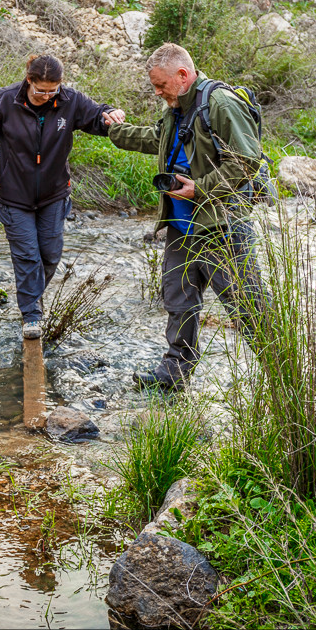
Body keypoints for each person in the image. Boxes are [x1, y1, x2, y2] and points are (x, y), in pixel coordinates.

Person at [107, 43, 267, 389]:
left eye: (160, 85)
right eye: (155, 86)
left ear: (182, 75)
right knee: (179, 300)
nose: (158, 92)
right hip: (182, 227)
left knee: (248, 308)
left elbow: (246, 161)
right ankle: (173, 376)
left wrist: (200, 189)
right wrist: (114, 131)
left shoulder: (220, 104)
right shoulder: (177, 107)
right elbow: (158, 139)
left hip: (221, 227)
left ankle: (286, 377)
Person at [0, 54, 125, 339]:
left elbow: (96, 115)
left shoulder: (70, 100)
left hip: (54, 194)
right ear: (29, 81)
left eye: (52, 90)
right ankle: (31, 315)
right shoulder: (5, 99)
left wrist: (110, 115)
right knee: (28, 256)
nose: (46, 96)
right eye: (41, 90)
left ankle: (31, 296)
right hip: (13, 193)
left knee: (51, 255)